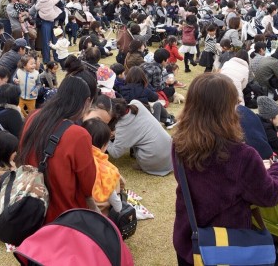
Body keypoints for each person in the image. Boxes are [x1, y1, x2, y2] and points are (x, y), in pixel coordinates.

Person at [172, 73, 278, 266]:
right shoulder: (241, 156)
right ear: (228, 109)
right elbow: (268, 195)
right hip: (225, 244)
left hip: (189, 237)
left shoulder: (178, 142)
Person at [17, 76, 97, 224]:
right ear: (86, 102)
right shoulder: (78, 135)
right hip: (65, 213)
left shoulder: (33, 116)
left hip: (30, 206)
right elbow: (88, 185)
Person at [107, 99, 173, 176]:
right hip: (171, 153)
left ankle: (147, 166)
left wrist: (105, 137)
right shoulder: (136, 103)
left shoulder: (123, 127)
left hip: (156, 161)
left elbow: (115, 153)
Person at [82, 118, 123, 215]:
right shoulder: (103, 168)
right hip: (95, 210)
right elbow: (116, 203)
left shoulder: (78, 156)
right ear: (104, 146)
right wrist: (120, 208)